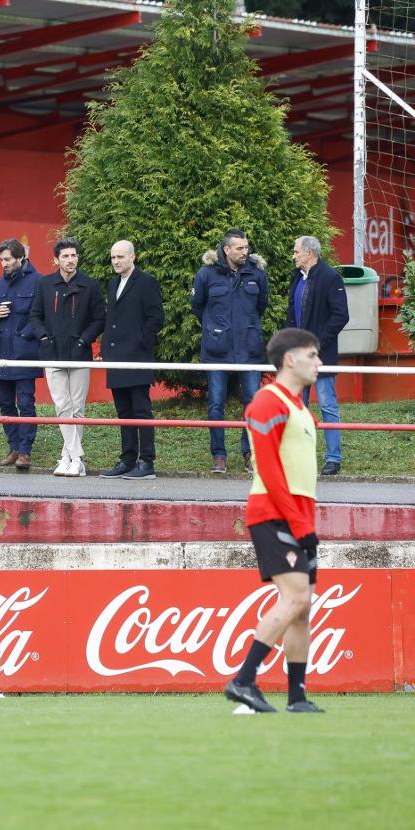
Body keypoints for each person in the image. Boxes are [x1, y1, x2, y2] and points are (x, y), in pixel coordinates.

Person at [224, 328, 325, 714]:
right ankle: (244, 680)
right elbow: (269, 469)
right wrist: (299, 524)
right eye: (313, 355)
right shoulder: (268, 402)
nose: (319, 362)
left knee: (303, 608)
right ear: (290, 359)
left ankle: (297, 697)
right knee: (295, 597)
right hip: (274, 514)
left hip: (299, 515)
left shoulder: (299, 406)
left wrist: (306, 522)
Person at [191, 228, 269, 474]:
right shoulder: (206, 275)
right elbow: (197, 306)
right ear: (226, 250)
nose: (245, 252)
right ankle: (219, 456)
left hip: (250, 350)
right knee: (215, 403)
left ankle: (249, 453)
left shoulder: (257, 274)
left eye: (246, 247)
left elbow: (262, 305)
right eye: (239, 248)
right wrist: (216, 330)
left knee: (253, 404)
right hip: (217, 351)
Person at [27, 237, 105, 476]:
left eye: (74, 255)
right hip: (53, 354)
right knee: (62, 405)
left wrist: (84, 340)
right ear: (56, 260)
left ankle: (68, 458)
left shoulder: (90, 285)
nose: (71, 260)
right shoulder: (45, 284)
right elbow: (35, 316)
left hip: (79, 354)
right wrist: (44, 338)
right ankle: (76, 457)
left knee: (77, 408)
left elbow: (99, 319)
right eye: (66, 256)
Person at [98, 240, 165, 480]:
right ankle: (127, 459)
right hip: (116, 358)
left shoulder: (146, 282)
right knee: (123, 412)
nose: (116, 261)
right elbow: (112, 319)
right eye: (113, 257)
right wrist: (106, 348)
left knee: (141, 410)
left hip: (136, 357)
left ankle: (147, 462)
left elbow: (156, 318)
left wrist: (139, 343)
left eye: (120, 257)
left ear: (132, 257)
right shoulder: (113, 283)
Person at [287, 235, 349, 476]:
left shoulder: (331, 278)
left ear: (309, 253)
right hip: (298, 355)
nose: (294, 256)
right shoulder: (297, 278)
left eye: (296, 251)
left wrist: (317, 344)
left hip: (320, 355)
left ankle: (333, 458)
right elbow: (291, 315)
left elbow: (340, 316)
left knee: (327, 405)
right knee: (297, 406)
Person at [0, 238, 41, 472]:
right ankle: (15, 447)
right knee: (5, 403)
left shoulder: (38, 281)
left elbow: (41, 316)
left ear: (20, 258)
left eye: (7, 259)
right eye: (1, 260)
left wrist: (25, 334)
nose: (3, 264)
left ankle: (25, 452)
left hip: (25, 352)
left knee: (26, 403)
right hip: (0, 352)